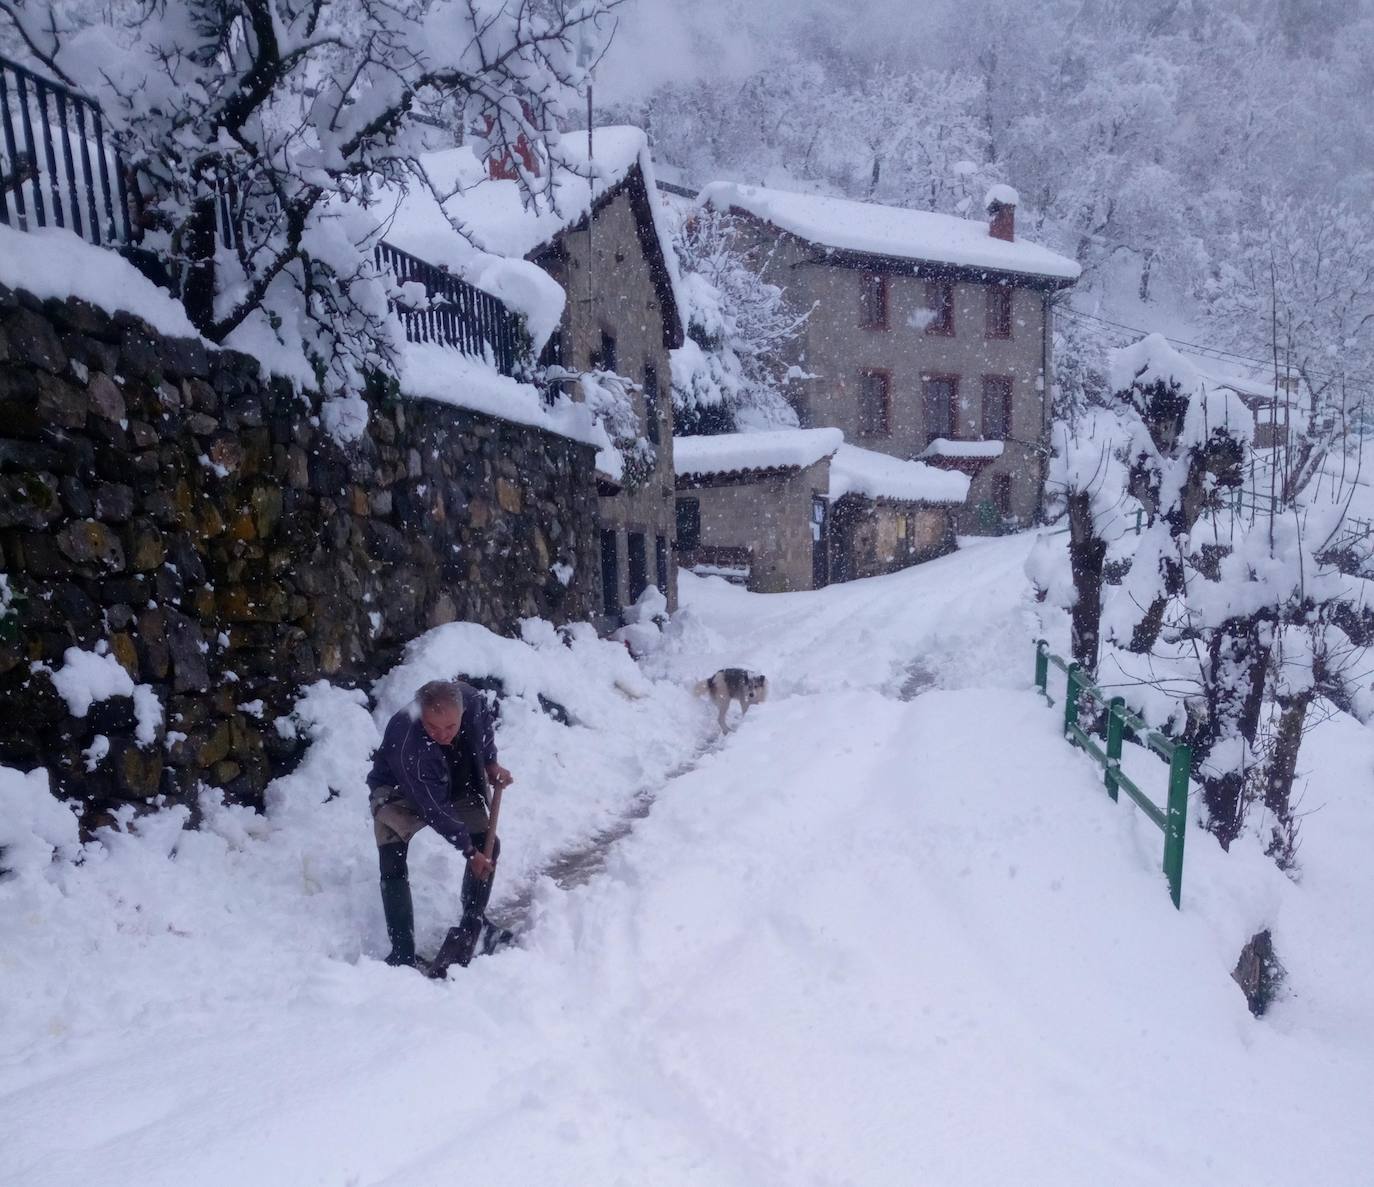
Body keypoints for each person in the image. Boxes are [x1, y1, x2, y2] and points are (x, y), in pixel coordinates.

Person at [366, 678, 514, 975]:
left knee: (489, 842)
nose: (444, 735)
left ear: (461, 712)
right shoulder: (408, 741)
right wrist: (470, 853)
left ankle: (475, 923)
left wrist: (490, 763)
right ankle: (401, 952)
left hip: (455, 779)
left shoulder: (471, 701)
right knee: (392, 857)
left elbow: (483, 728)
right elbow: (434, 809)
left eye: (451, 727)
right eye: (434, 727)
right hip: (399, 789)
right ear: (421, 714)